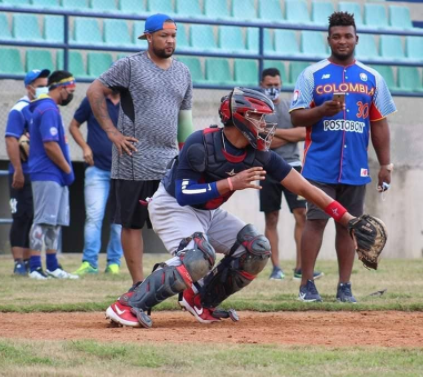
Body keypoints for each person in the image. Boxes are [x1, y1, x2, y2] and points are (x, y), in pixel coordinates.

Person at [104, 87, 383, 329]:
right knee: (199, 256)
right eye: (259, 117)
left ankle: (200, 300)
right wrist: (231, 183)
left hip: (207, 212)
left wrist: (348, 220)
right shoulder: (200, 143)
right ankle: (128, 305)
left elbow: (305, 188)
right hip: (172, 206)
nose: (265, 124)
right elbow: (184, 193)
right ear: (240, 118)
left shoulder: (259, 153)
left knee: (256, 248)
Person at [290, 12, 395, 303]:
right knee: (315, 221)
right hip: (319, 165)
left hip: (355, 167)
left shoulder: (373, 78)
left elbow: (379, 124)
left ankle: (344, 287)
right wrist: (322, 111)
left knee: (350, 225)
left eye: (347, 35)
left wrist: (386, 165)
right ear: (329, 39)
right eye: (337, 36)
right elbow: (297, 116)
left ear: (356, 39)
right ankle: (307, 285)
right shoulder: (312, 74)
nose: (342, 41)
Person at [86, 13, 193, 285]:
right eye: (163, 35)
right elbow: (94, 91)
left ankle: (185, 282)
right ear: (148, 36)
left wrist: (189, 156)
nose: (170, 41)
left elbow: (185, 121)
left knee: (182, 222)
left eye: (173, 35)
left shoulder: (183, 72)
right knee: (131, 224)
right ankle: (137, 285)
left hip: (170, 162)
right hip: (133, 160)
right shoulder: (130, 66)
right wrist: (112, 133)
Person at [258, 68, 323, 281]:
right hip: (266, 167)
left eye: (276, 84)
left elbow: (303, 133)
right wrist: (288, 136)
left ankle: (300, 267)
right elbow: (261, 141)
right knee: (271, 217)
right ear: (261, 85)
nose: (273, 89)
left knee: (301, 214)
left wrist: (272, 132)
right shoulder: (258, 110)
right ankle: (276, 267)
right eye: (269, 85)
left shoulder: (290, 107)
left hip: (293, 166)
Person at [27, 70, 79, 280]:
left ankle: (52, 265)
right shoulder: (47, 108)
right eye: (70, 90)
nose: (71, 94)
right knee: (42, 221)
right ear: (60, 88)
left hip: (55, 174)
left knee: (55, 222)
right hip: (47, 173)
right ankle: (34, 267)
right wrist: (67, 169)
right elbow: (50, 145)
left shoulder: (51, 108)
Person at [69, 93, 124, 275]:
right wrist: (85, 148)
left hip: (123, 170)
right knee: (94, 217)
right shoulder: (93, 100)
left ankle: (114, 263)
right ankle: (89, 263)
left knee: (119, 220)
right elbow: (74, 126)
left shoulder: (131, 101)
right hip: (97, 169)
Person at [5, 69, 50, 276]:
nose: (44, 89)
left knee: (34, 216)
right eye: (40, 85)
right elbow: (11, 139)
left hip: (39, 171)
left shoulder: (42, 108)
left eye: (45, 85)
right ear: (29, 87)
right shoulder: (20, 109)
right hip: (24, 170)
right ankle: (18, 263)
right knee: (21, 216)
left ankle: (31, 261)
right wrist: (17, 170)